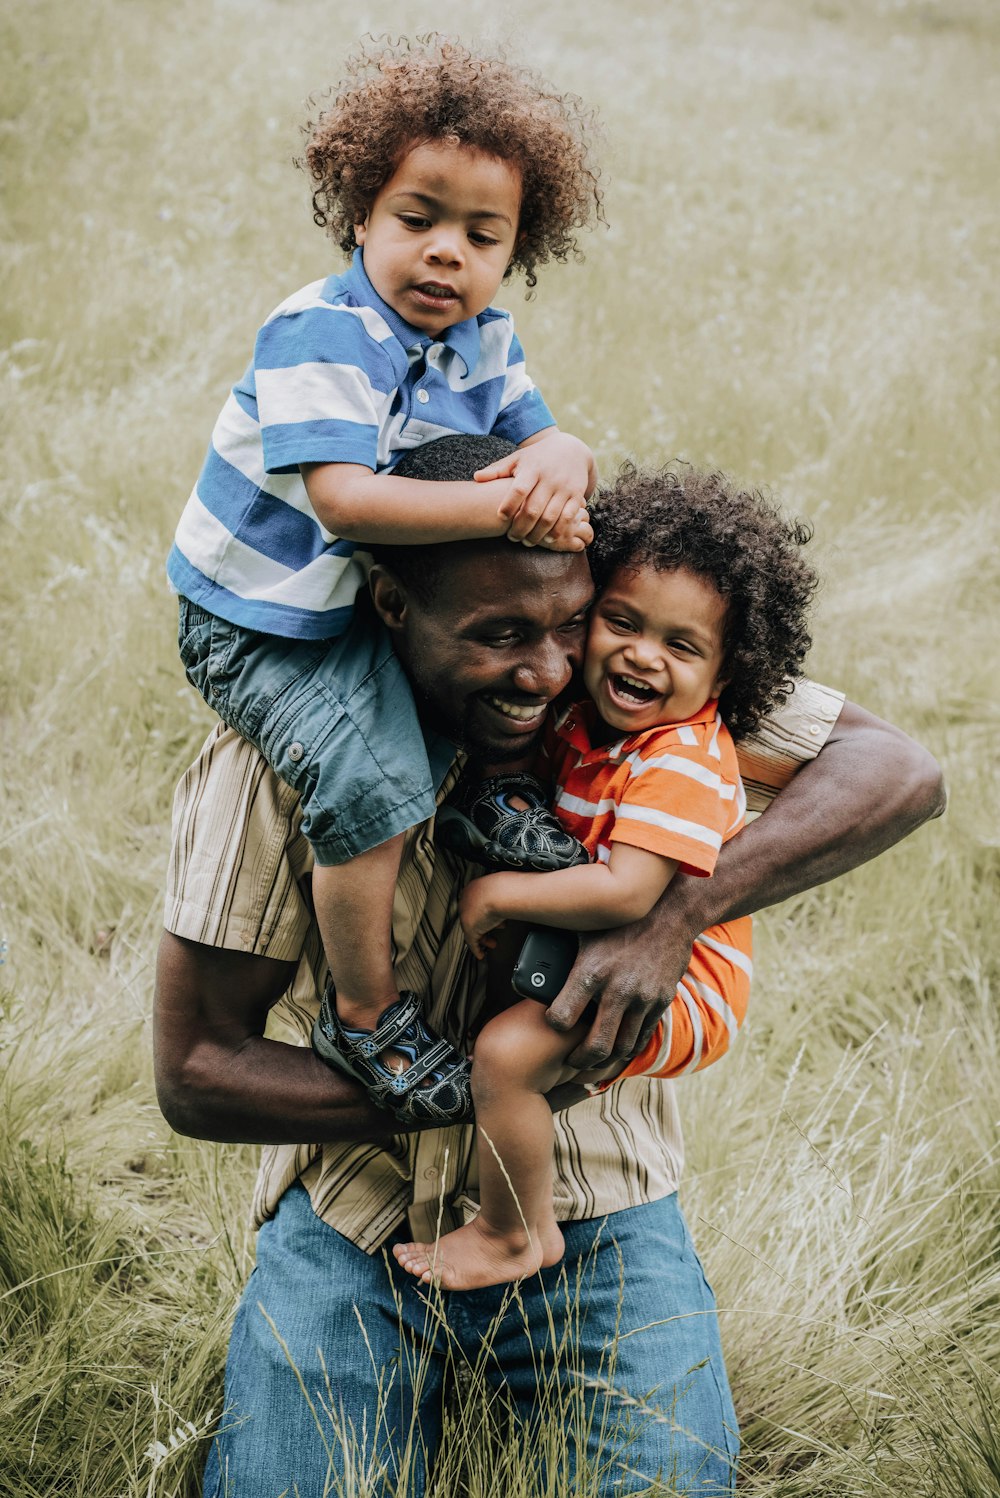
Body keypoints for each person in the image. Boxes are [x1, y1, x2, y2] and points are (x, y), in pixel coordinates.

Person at [154, 436, 945, 1497]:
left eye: (569, 622)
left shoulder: (628, 685)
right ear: (391, 609)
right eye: (496, 635)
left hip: (602, 1203)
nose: (544, 668)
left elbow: (896, 768)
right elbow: (197, 1069)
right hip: (355, 1215)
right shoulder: (280, 759)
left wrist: (675, 914)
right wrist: (483, 1090)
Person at [165, 36, 602, 1127]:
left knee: (490, 662)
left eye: (480, 234)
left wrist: (566, 458)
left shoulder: (483, 338)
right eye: (418, 219)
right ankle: (367, 1016)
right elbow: (348, 502)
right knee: (367, 782)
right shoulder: (323, 328)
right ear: (359, 215)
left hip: (358, 607)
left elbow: (541, 441)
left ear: (514, 252)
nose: (444, 254)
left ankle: (485, 800)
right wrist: (513, 500)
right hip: (260, 622)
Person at [392, 464, 817, 1290]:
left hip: (687, 984)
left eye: (681, 645)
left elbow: (628, 893)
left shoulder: (682, 757)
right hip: (615, 940)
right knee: (512, 1038)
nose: (642, 655)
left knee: (509, 1054)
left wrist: (497, 892)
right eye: (621, 622)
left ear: (725, 677)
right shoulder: (596, 726)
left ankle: (515, 1233)